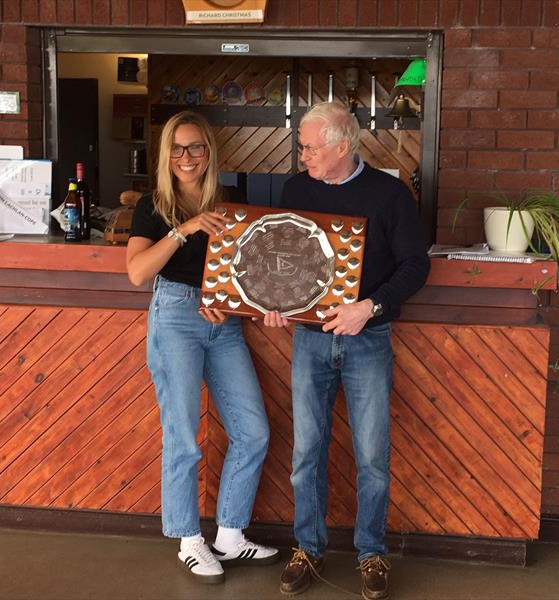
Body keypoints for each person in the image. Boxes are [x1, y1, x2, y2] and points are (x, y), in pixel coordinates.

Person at [265, 101, 430, 599]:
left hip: (368, 339)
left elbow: (415, 267)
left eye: (311, 147)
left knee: (372, 457)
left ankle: (371, 553)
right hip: (310, 339)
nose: (303, 155)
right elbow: (281, 256)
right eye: (302, 147)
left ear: (342, 146)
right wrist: (275, 305)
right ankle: (308, 548)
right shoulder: (296, 190)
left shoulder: (389, 194)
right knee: (305, 454)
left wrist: (370, 307)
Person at [126, 110, 278, 584]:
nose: (186, 157)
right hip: (174, 318)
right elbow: (137, 272)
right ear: (166, 155)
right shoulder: (154, 206)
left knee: (253, 431)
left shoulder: (229, 201)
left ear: (209, 152)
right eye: (177, 148)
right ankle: (189, 540)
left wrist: (230, 302)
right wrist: (184, 228)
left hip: (223, 321)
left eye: (195, 147)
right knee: (183, 437)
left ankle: (230, 535)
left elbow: (243, 269)